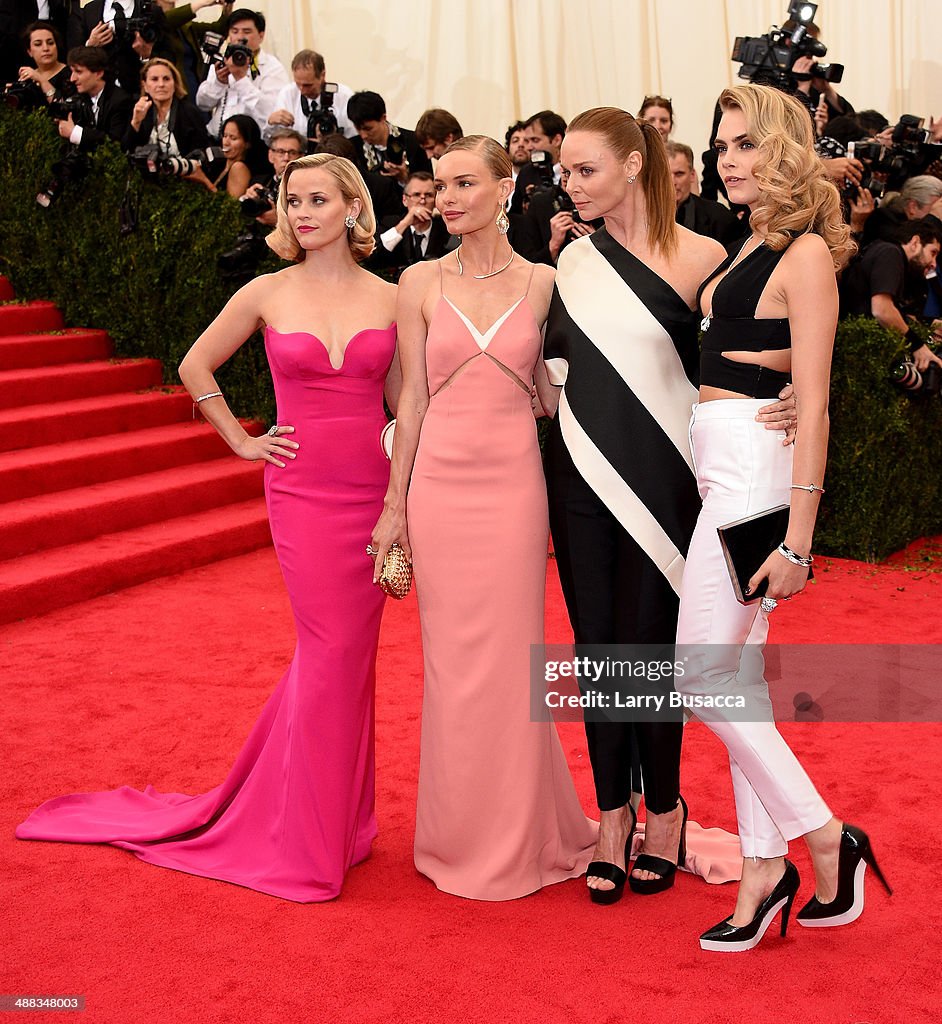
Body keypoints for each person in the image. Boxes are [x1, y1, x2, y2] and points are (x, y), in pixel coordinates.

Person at [17, 153, 400, 903]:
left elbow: (401, 404)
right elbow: (196, 365)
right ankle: (308, 839)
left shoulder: (391, 298)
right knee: (328, 653)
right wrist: (240, 438)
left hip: (371, 494)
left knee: (349, 661)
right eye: (293, 201)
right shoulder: (265, 291)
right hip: (301, 493)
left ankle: (339, 824)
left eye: (319, 199)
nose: (302, 213)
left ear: (354, 206)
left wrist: (405, 500)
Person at [541, 107, 795, 904]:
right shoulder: (571, 261)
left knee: (653, 648)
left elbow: (742, 358)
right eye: (565, 173)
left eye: (585, 170)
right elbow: (552, 377)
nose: (572, 185)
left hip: (670, 484)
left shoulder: (708, 258)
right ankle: (611, 815)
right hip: (579, 480)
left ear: (631, 164)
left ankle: (665, 812)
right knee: (599, 648)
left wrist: (788, 391)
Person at [675, 83, 889, 952]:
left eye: (747, 144)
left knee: (697, 676)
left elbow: (821, 403)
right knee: (737, 685)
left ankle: (825, 834)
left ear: (788, 151)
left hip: (755, 482)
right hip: (721, 469)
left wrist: (799, 539)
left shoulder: (801, 255)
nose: (729, 159)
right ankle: (763, 870)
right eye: (722, 144)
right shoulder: (744, 244)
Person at [369, 135, 597, 900]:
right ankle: (458, 835)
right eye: (439, 185)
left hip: (514, 490)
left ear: (507, 187)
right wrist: (395, 504)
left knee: (509, 662)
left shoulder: (544, 280)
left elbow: (552, 392)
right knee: (452, 667)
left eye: (466, 182)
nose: (449, 196)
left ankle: (522, 833)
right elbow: (411, 397)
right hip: (438, 486)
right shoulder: (417, 280)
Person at [195, 7, 288, 139]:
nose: (240, 37)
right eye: (235, 31)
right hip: (218, 140)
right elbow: (202, 104)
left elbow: (271, 112)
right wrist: (219, 82)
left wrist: (240, 79)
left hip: (252, 143)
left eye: (247, 32)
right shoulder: (223, 61)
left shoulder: (273, 67)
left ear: (261, 36)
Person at [122, 56, 209, 159]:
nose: (161, 84)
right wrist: (136, 122)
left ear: (175, 84)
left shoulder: (190, 113)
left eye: (166, 79)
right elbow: (125, 151)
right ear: (145, 85)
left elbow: (201, 154)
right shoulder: (139, 110)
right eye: (154, 79)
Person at [266, 48, 356, 146]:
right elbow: (272, 141)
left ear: (322, 75)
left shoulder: (343, 95)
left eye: (307, 85)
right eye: (298, 84)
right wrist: (271, 123)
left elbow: (354, 136)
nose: (302, 90)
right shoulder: (287, 94)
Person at [667, 141, 745, 244]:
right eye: (665, 174)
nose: (672, 182)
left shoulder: (721, 218)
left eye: (679, 174)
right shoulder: (641, 218)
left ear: (692, 175)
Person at [57, 45, 132, 151]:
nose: (72, 78)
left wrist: (75, 133)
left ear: (98, 73)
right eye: (72, 72)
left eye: (78, 72)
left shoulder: (120, 101)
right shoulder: (77, 97)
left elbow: (114, 144)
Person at [211, 112, 263, 196]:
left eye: (233, 138)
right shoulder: (222, 163)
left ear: (247, 144)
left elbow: (230, 205)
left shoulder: (239, 168)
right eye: (225, 136)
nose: (226, 142)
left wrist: (202, 178)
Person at [16, 20, 70, 101]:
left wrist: (42, 80)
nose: (46, 48)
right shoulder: (29, 77)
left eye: (50, 43)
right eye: (38, 44)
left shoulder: (72, 74)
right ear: (29, 52)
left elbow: (66, 108)